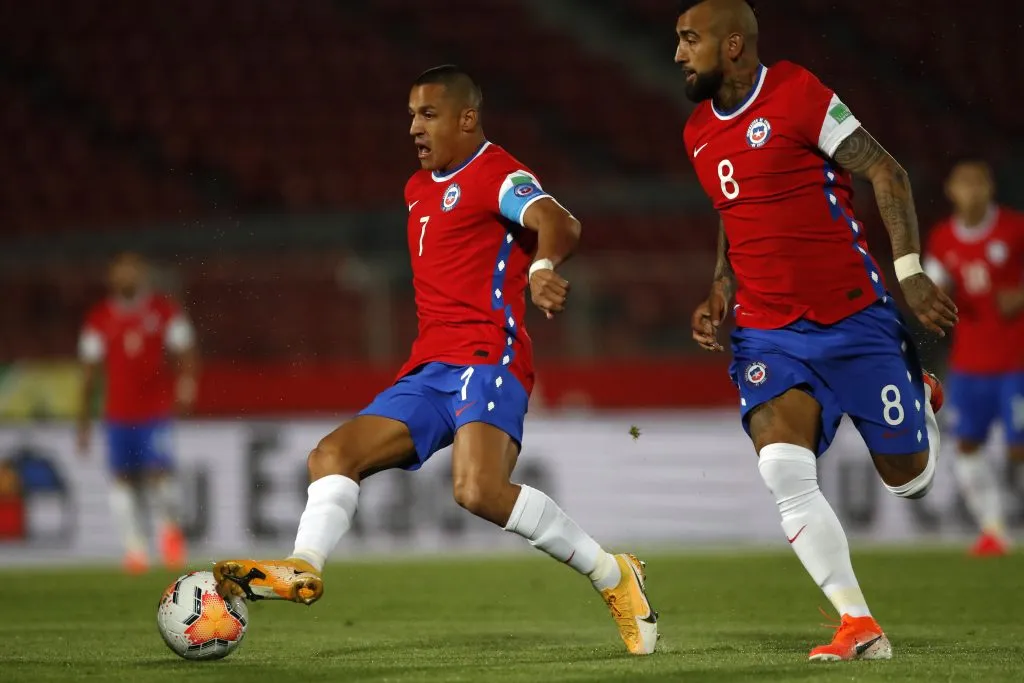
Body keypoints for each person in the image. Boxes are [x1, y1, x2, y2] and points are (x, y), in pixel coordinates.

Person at [213, 65, 658, 656]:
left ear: (466, 119)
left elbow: (559, 222)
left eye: (428, 115)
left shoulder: (496, 172)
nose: (415, 129)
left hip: (488, 357)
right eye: (410, 117)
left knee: (477, 490)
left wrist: (544, 266)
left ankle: (614, 575)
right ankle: (304, 566)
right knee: (332, 455)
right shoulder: (417, 190)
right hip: (429, 368)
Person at [676, 0, 957, 662]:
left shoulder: (798, 93)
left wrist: (910, 270)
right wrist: (721, 284)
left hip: (854, 318)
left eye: (691, 40)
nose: (681, 53)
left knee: (910, 481)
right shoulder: (695, 131)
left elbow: (887, 170)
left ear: (734, 45)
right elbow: (731, 204)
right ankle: (859, 623)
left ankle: (915, 390)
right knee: (781, 465)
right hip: (768, 331)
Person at [924, 159, 1024, 556]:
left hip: (1016, 361)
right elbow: (932, 287)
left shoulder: (1015, 229)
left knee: (1018, 449)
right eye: (963, 184)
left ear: (990, 188)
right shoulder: (943, 239)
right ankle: (994, 530)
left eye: (978, 183)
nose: (972, 191)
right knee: (967, 445)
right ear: (951, 190)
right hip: (968, 364)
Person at [78, 252, 198, 573]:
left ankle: (170, 534)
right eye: (121, 272)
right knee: (122, 480)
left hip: (154, 411)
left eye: (132, 271)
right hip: (117, 413)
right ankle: (134, 548)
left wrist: (186, 389)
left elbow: (186, 354)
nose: (126, 277)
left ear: (143, 274)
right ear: (112, 277)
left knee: (160, 474)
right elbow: (89, 374)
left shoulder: (164, 311)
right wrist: (83, 422)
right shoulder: (99, 318)